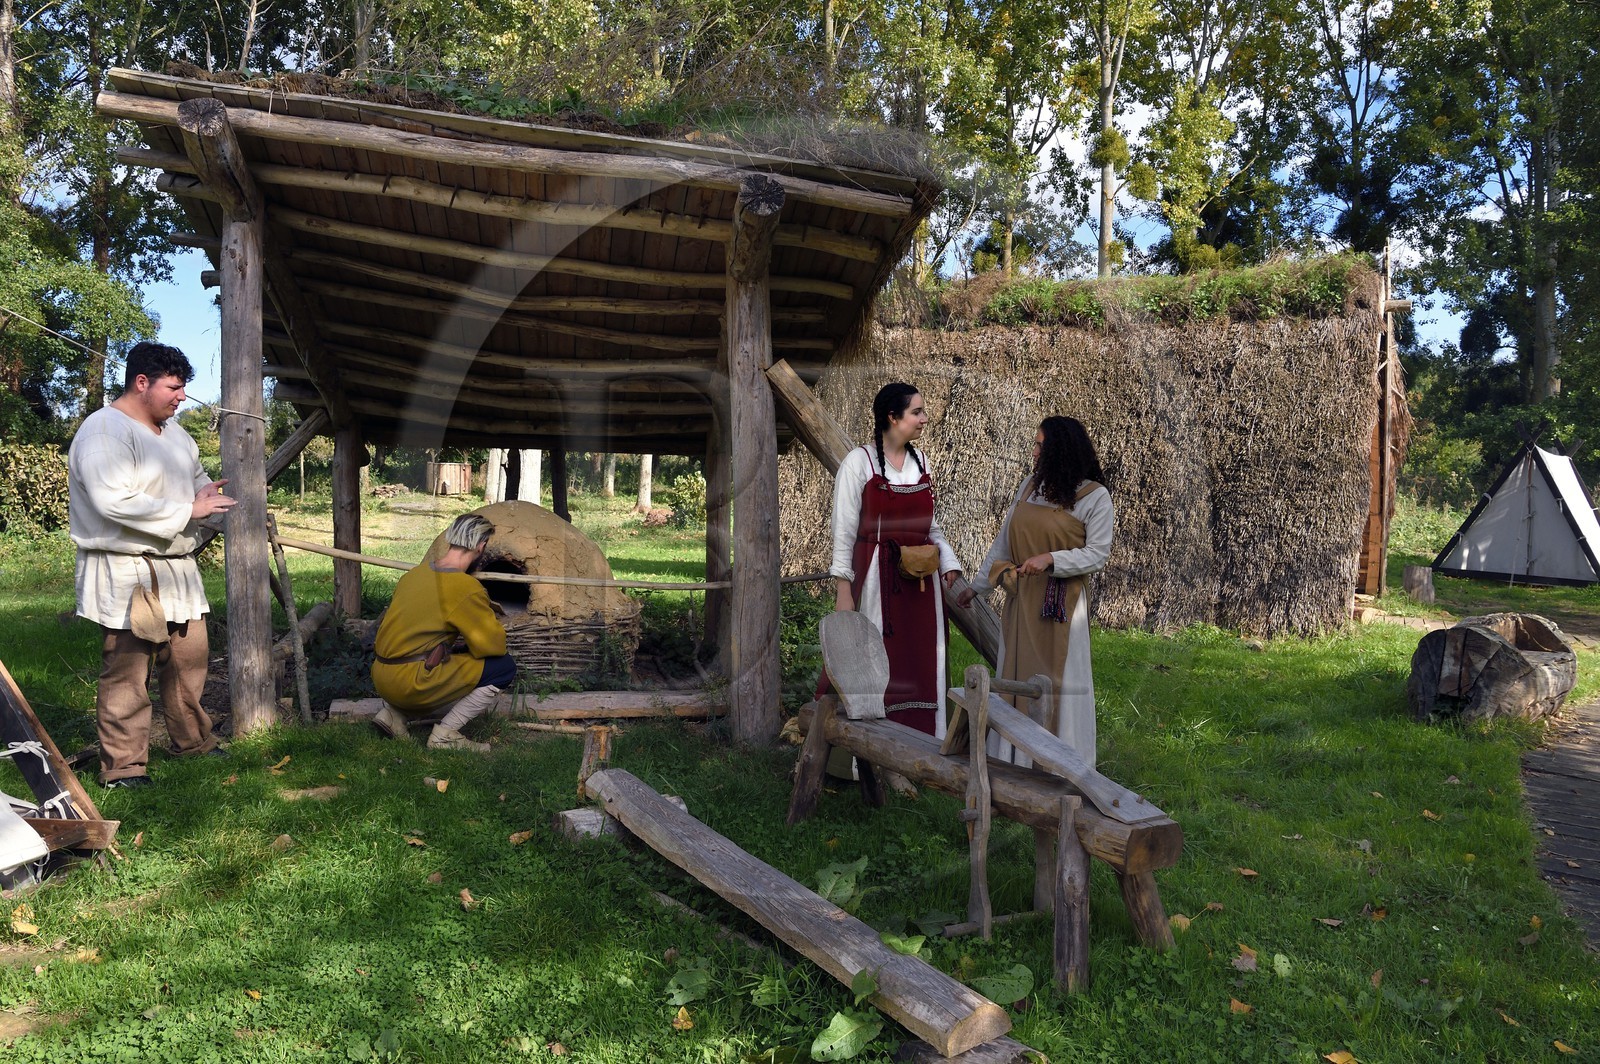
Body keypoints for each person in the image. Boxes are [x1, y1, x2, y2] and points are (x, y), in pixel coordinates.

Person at [68, 342, 235, 789]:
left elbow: (196, 481)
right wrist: (188, 510)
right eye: (174, 387)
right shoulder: (104, 431)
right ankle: (124, 768)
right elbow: (111, 500)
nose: (182, 397)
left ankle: (193, 742)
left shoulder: (176, 434)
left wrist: (205, 496)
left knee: (188, 661)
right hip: (128, 569)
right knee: (128, 672)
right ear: (142, 382)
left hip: (177, 567)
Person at [958, 416, 1113, 768]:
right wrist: (976, 588)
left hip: (1061, 607)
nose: (1034, 452)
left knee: (1059, 682)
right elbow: (1003, 543)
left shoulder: (1094, 497)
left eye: (1041, 445)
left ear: (1060, 451)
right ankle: (1012, 760)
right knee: (1015, 675)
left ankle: (1062, 764)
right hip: (1022, 601)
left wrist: (1051, 559)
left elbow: (1097, 554)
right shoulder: (1030, 487)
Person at [829, 382, 964, 737]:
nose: (924, 419)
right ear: (892, 417)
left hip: (921, 586)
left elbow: (930, 527)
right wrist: (844, 589)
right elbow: (843, 530)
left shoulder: (922, 462)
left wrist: (948, 561)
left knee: (923, 660)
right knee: (876, 661)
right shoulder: (859, 462)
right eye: (917, 412)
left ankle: (927, 743)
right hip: (878, 580)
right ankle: (871, 751)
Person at [370, 514, 517, 753]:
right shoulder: (465, 587)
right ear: (481, 546)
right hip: (410, 683)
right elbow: (493, 646)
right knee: (503, 667)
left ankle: (393, 714)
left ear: (451, 538)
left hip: (381, 676)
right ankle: (445, 734)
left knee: (438, 658)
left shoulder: (413, 575)